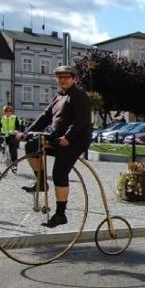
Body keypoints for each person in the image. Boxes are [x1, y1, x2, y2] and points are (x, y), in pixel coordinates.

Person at [16, 65, 92, 228]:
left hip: (75, 141)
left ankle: (60, 214)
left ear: (74, 79)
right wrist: (27, 132)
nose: (63, 80)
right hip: (58, 139)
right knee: (31, 146)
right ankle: (41, 182)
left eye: (66, 77)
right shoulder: (58, 97)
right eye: (60, 77)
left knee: (59, 172)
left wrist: (68, 137)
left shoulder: (78, 96)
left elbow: (80, 121)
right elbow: (45, 117)